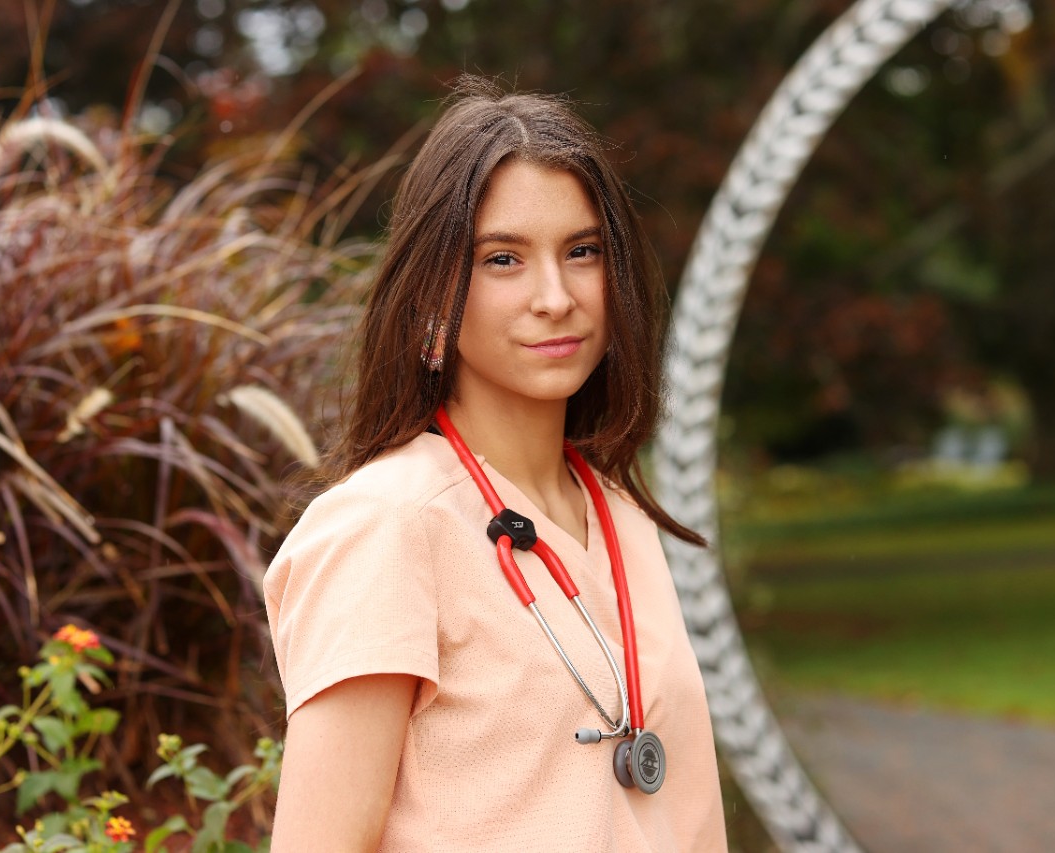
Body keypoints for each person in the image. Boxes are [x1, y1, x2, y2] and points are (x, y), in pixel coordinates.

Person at [263, 76, 727, 851]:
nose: (556, 296)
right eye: (503, 259)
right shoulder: (385, 527)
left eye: (582, 251)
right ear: (432, 296)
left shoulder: (621, 517)